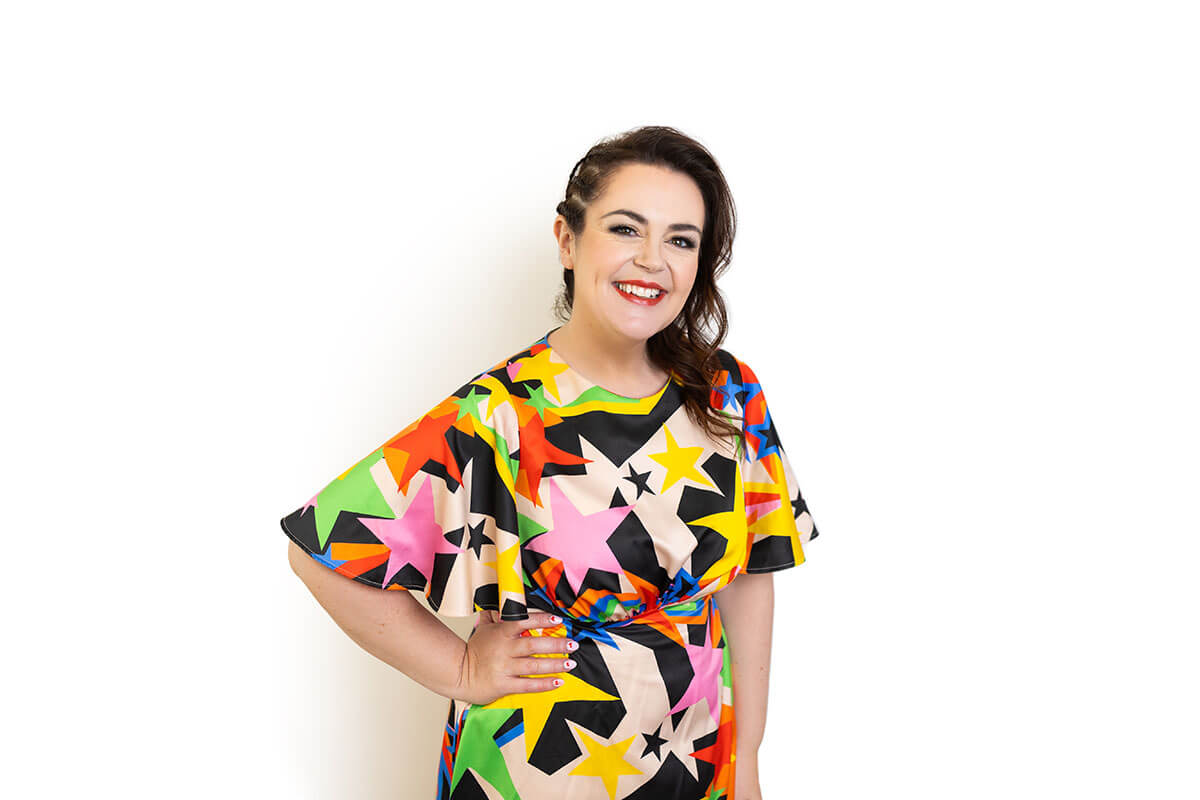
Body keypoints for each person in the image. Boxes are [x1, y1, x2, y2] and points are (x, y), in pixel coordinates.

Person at [280, 125, 820, 800]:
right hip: (540, 764)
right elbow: (319, 550)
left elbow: (749, 579)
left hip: (697, 754)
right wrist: (462, 670)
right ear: (568, 240)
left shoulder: (729, 393)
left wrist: (748, 760)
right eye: (626, 229)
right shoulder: (500, 411)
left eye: (681, 240)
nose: (651, 260)